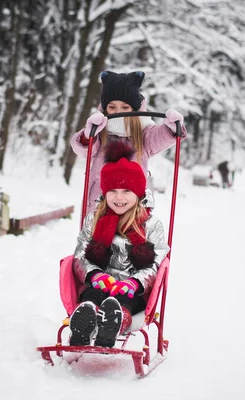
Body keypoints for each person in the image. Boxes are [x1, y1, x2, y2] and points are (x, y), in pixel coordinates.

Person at [69, 141, 170, 348]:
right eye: (113, 190)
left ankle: (113, 323)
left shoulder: (151, 224)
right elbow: (81, 255)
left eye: (126, 191)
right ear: (105, 193)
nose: (119, 197)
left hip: (133, 288)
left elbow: (156, 262)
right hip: (100, 281)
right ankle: (85, 318)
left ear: (138, 193)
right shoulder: (95, 219)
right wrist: (94, 274)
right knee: (92, 295)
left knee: (124, 301)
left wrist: (135, 282)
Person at [71, 70, 186, 214]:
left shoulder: (143, 134)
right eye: (112, 107)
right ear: (105, 109)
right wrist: (88, 135)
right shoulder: (100, 132)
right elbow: (83, 149)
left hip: (132, 209)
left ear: (135, 109)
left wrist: (172, 128)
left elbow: (160, 137)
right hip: (99, 205)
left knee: (129, 235)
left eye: (125, 108)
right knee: (99, 236)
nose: (118, 112)